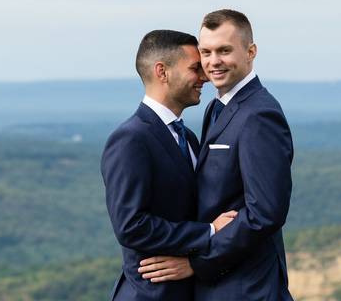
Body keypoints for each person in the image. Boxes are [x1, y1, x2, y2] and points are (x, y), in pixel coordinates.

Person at [139, 10, 295, 301]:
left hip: (249, 288)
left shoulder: (259, 114)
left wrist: (199, 263)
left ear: (251, 52)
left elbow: (266, 214)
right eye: (206, 52)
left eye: (224, 51)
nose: (213, 62)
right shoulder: (215, 108)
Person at [101, 29, 238, 301]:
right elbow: (132, 226)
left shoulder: (187, 137)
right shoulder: (131, 139)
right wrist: (209, 231)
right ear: (162, 72)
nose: (204, 78)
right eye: (195, 68)